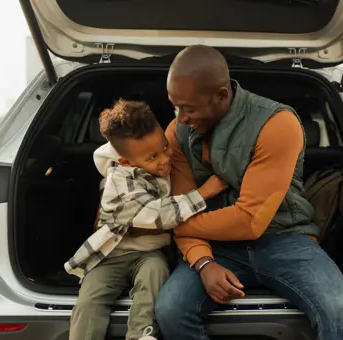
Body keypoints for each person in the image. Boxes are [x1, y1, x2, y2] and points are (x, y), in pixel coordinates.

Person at [153, 45, 343, 340]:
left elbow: (249, 220)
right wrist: (203, 262)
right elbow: (182, 204)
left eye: (189, 108)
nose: (181, 117)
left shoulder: (277, 123)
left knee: (339, 309)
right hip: (216, 247)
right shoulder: (177, 132)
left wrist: (175, 223)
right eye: (176, 107)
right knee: (171, 310)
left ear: (222, 95)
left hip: (285, 238)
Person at [65, 99, 227, 340]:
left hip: (151, 254)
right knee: (91, 297)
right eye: (152, 157)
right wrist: (204, 193)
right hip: (112, 255)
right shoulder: (120, 180)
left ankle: (142, 335)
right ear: (126, 162)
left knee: (154, 274)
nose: (163, 160)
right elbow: (158, 215)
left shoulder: (164, 164)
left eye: (165, 147)